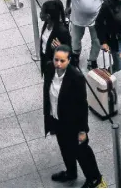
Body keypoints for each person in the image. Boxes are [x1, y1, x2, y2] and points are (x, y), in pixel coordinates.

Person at [43, 45, 104, 187]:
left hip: (73, 123)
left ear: (69, 60)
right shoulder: (49, 68)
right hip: (57, 119)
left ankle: (94, 177)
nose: (58, 64)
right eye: (56, 59)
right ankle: (71, 172)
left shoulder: (76, 78)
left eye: (62, 61)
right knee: (64, 147)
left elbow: (82, 106)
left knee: (81, 151)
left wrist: (83, 130)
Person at [66, 0, 107, 70]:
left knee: (97, 41)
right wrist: (67, 6)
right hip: (77, 17)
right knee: (75, 39)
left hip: (96, 18)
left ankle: (92, 60)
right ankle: (75, 56)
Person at [40, 0, 71, 75]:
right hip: (46, 59)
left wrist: (60, 48)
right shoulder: (46, 24)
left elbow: (69, 52)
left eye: (42, 12)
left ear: (48, 16)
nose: (40, 13)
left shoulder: (62, 31)